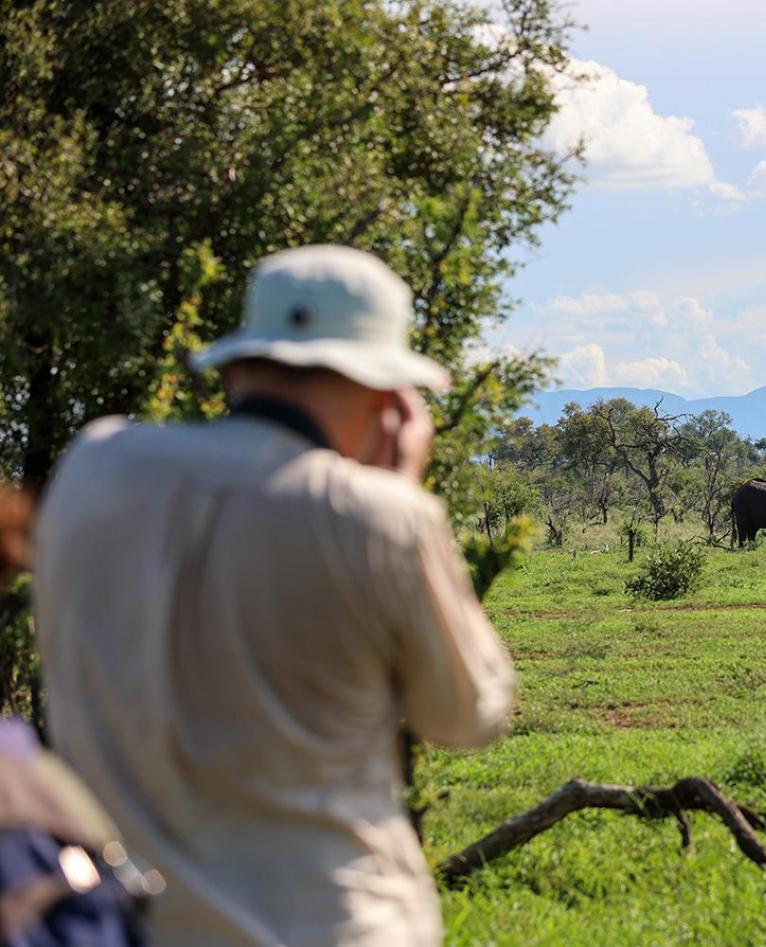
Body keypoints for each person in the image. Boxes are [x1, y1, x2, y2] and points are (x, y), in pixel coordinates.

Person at [32, 245, 517, 946]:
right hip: (330, 924)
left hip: (118, 922)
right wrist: (399, 496)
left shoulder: (91, 468)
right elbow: (468, 713)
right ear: (388, 397)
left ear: (234, 366)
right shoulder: (379, 518)